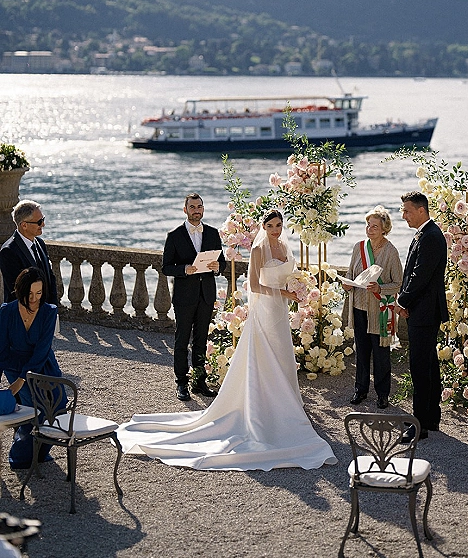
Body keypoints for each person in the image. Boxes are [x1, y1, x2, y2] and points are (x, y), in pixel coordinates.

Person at [117, 211, 337, 470]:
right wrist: (284, 292)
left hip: (280, 311)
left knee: (281, 353)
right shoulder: (259, 250)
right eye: (270, 226)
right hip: (265, 309)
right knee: (263, 356)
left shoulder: (286, 247)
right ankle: (262, 409)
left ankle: (286, 402)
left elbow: (291, 275)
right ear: (263, 227)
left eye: (278, 225)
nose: (275, 230)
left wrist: (298, 287)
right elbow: (254, 286)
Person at [162, 193, 226, 401]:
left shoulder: (213, 234)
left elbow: (222, 262)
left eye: (199, 206)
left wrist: (218, 267)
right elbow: (166, 268)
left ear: (203, 209)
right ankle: (181, 383)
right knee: (181, 340)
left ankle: (199, 382)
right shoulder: (174, 235)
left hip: (206, 295)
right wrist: (184, 269)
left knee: (201, 341)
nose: (196, 210)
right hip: (184, 296)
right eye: (192, 207)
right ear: (185, 210)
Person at [396, 191, 448, 442]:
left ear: (421, 210)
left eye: (406, 210)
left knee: (420, 366)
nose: (403, 215)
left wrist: (401, 300)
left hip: (424, 311)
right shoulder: (427, 234)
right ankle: (430, 417)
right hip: (423, 309)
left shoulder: (431, 236)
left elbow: (420, 276)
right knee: (428, 363)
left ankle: (420, 425)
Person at [0, 267, 63, 468]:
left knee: (57, 409)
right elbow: (1, 349)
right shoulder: (6, 311)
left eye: (39, 293)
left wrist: (22, 379)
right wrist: (14, 378)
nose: (35, 299)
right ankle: (19, 458)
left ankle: (40, 452)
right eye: (30, 294)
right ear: (19, 290)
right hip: (15, 365)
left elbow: (42, 350)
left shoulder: (49, 311)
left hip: (43, 364)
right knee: (32, 411)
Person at [343, 206, 402, 408]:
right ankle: (360, 390)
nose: (370, 229)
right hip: (359, 307)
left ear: (384, 228)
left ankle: (383, 394)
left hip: (380, 311)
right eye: (368, 225)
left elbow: (398, 283)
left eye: (375, 226)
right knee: (362, 352)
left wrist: (380, 287)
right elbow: (351, 276)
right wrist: (346, 284)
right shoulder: (358, 247)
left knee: (381, 354)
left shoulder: (391, 251)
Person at [0, 201, 58, 305]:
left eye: (43, 219)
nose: (43, 224)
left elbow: (50, 278)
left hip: (46, 312)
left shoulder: (40, 243)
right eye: (39, 222)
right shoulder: (8, 251)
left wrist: (52, 308)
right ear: (24, 225)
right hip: (23, 316)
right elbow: (17, 291)